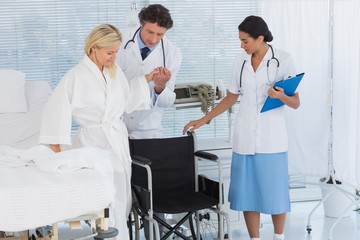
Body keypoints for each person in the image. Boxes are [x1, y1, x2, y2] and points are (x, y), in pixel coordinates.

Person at [183, 16, 300, 240]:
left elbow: (295, 102)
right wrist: (202, 120)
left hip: (272, 137)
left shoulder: (283, 59)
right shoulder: (240, 61)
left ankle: (279, 237)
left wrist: (281, 95)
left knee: (275, 193)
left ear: (260, 38)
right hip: (245, 135)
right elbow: (230, 98)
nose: (241, 45)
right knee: (248, 194)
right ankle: (254, 238)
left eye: (245, 41)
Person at [39, 23, 159, 240]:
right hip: (93, 142)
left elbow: (126, 98)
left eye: (116, 52)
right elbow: (56, 110)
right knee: (103, 198)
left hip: (116, 140)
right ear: (94, 47)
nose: (114, 57)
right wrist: (57, 149)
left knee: (121, 195)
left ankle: (119, 235)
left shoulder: (114, 73)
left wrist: (147, 79)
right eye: (109, 52)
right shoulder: (75, 77)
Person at [116, 4, 182, 239]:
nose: (154, 39)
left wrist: (161, 86)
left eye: (160, 34)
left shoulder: (172, 53)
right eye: (150, 32)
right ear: (141, 24)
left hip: (149, 128)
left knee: (153, 191)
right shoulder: (119, 40)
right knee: (120, 191)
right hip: (117, 125)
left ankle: (157, 236)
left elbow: (166, 100)